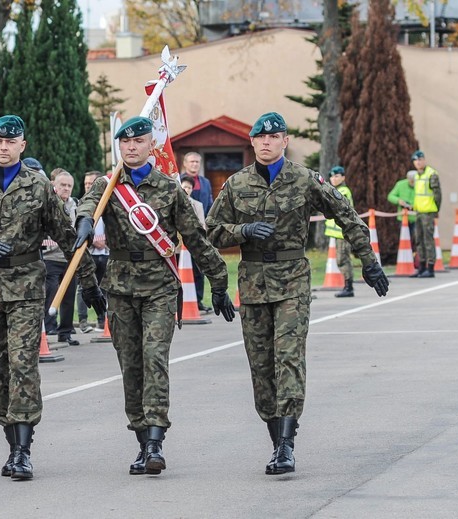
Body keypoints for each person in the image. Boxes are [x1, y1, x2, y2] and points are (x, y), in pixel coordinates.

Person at [205, 112, 390, 476]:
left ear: (285, 141)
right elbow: (209, 232)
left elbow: (346, 214)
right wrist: (242, 230)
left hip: (292, 279)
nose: (266, 142)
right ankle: (276, 441)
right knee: (261, 366)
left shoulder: (305, 179)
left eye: (273, 137)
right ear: (252, 142)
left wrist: (369, 262)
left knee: (288, 357)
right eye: (260, 138)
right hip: (253, 282)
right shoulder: (236, 183)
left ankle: (288, 445)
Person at [0, 114, 106, 480]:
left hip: (27, 288)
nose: (2, 147)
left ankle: (22, 449)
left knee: (23, 364)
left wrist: (90, 282)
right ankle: (9, 432)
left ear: (22, 146)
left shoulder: (39, 187)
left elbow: (68, 238)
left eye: (9, 142)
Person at [76, 116, 234, 476]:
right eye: (125, 143)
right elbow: (87, 206)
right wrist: (84, 222)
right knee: (131, 365)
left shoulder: (168, 187)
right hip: (120, 287)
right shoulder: (108, 184)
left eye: (138, 142)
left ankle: (155, 442)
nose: (131, 148)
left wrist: (219, 281)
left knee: (155, 360)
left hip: (160, 286)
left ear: (151, 145)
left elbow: (195, 236)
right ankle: (140, 437)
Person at [42, 168, 81, 346]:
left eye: (69, 186)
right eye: (62, 185)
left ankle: (65, 331)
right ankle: (49, 328)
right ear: (54, 186)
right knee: (50, 293)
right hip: (50, 257)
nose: (66, 188)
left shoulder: (76, 205)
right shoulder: (48, 204)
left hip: (69, 258)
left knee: (69, 295)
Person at [181, 152, 214, 313]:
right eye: (192, 162)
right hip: (182, 235)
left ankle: (198, 300)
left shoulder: (205, 182)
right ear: (185, 163)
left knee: (200, 268)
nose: (195, 165)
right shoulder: (178, 180)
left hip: (201, 230)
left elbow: (210, 203)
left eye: (197, 162)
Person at [76, 171, 108, 333]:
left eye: (92, 183)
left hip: (106, 253)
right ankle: (83, 320)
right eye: (86, 184)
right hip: (89, 253)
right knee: (85, 287)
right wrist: (93, 240)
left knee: (103, 287)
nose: (89, 186)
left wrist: (106, 242)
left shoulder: (108, 200)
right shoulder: (83, 204)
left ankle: (102, 320)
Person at [324, 166, 355, 297]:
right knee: (341, 259)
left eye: (337, 176)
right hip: (338, 233)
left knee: (343, 259)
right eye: (332, 176)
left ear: (343, 177)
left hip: (343, 232)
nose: (333, 179)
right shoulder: (335, 190)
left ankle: (349, 287)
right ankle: (347, 285)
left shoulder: (343, 191)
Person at [410, 150, 442, 278]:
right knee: (419, 240)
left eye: (420, 160)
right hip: (419, 212)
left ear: (424, 160)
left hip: (428, 212)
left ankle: (430, 267)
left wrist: (436, 210)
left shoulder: (431, 174)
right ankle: (421, 267)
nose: (418, 162)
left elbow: (437, 194)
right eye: (415, 160)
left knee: (428, 240)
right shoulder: (417, 176)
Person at [387, 169, 417, 255]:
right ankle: (405, 256)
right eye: (411, 181)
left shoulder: (420, 186)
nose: (412, 183)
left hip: (416, 218)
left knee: (415, 239)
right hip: (403, 218)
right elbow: (390, 196)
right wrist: (399, 201)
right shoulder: (400, 184)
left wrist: (414, 205)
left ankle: (414, 257)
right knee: (404, 239)